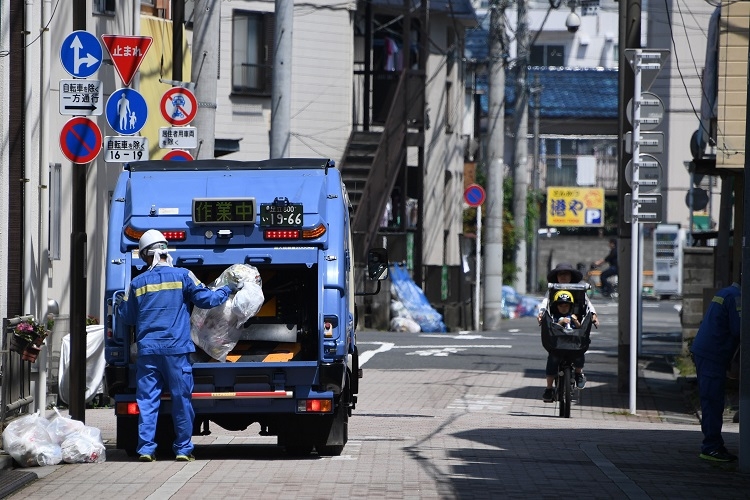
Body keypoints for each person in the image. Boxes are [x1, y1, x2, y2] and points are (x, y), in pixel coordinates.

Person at [117, 229, 242, 463]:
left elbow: (128, 317)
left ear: (146, 255)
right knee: (181, 399)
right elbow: (208, 299)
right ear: (165, 251)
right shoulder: (184, 276)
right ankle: (183, 450)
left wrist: (118, 304)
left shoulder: (137, 282)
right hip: (176, 351)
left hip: (148, 352)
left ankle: (145, 449)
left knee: (147, 401)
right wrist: (228, 288)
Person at [689, 281, 741, 462]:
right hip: (713, 354)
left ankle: (713, 445)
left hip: (708, 352)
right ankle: (711, 447)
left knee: (712, 400)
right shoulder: (737, 297)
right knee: (712, 400)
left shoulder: (728, 292)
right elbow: (740, 329)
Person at [538, 263, 599, 402]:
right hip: (556, 333)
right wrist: (541, 314)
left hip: (575, 334)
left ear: (571, 276)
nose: (564, 277)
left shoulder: (579, 289)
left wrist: (594, 315)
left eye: (567, 274)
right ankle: (549, 388)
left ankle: (578, 373)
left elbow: (588, 304)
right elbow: (545, 303)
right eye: (560, 274)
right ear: (556, 277)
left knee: (578, 352)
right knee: (553, 359)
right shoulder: (552, 289)